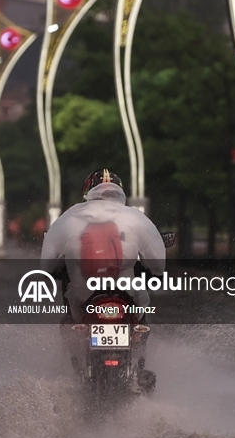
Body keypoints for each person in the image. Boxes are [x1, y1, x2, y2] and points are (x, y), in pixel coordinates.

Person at [41, 168, 165, 391]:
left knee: (69, 322)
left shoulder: (69, 217)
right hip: (127, 295)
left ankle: (74, 369)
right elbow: (158, 266)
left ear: (87, 192)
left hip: (83, 296)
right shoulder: (135, 217)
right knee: (143, 317)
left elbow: (46, 265)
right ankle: (139, 368)